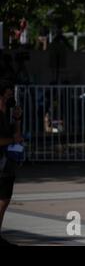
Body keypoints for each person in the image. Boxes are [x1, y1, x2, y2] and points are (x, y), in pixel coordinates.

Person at [0, 80, 23, 245]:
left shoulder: (4, 114)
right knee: (2, 199)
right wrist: (11, 139)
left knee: (5, 199)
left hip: (7, 161)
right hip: (1, 162)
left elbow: (17, 135)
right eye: (8, 95)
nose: (10, 99)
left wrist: (17, 119)